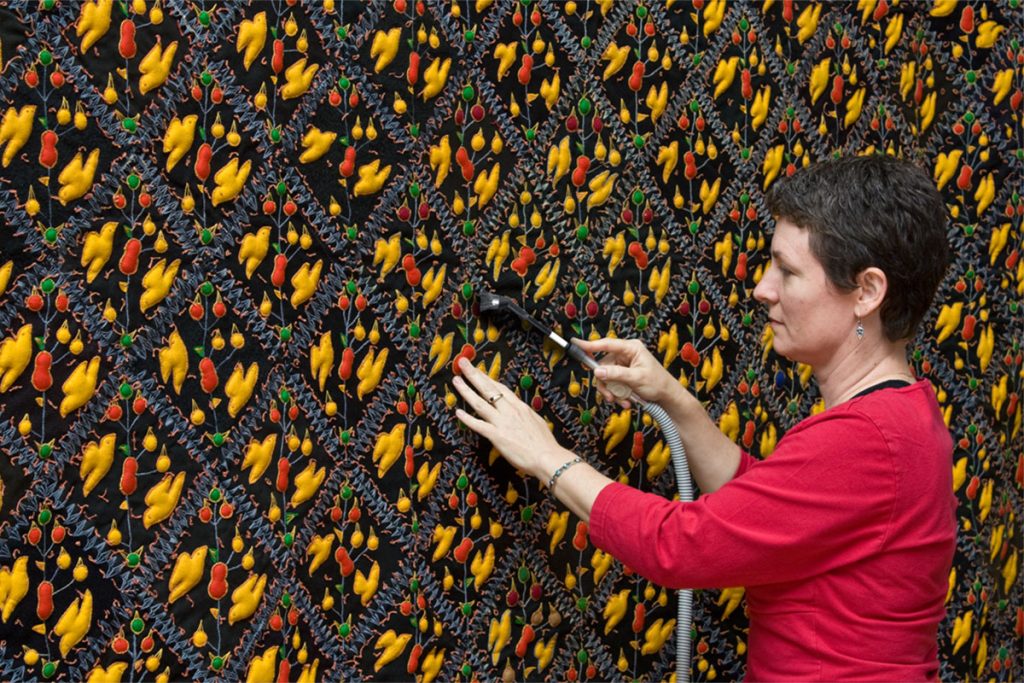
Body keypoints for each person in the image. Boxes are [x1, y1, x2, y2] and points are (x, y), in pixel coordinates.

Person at [451, 154, 957, 681]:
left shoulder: (866, 439)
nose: (763, 288)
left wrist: (546, 456)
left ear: (867, 293)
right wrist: (673, 398)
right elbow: (767, 511)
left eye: (787, 270)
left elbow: (681, 546)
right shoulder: (903, 417)